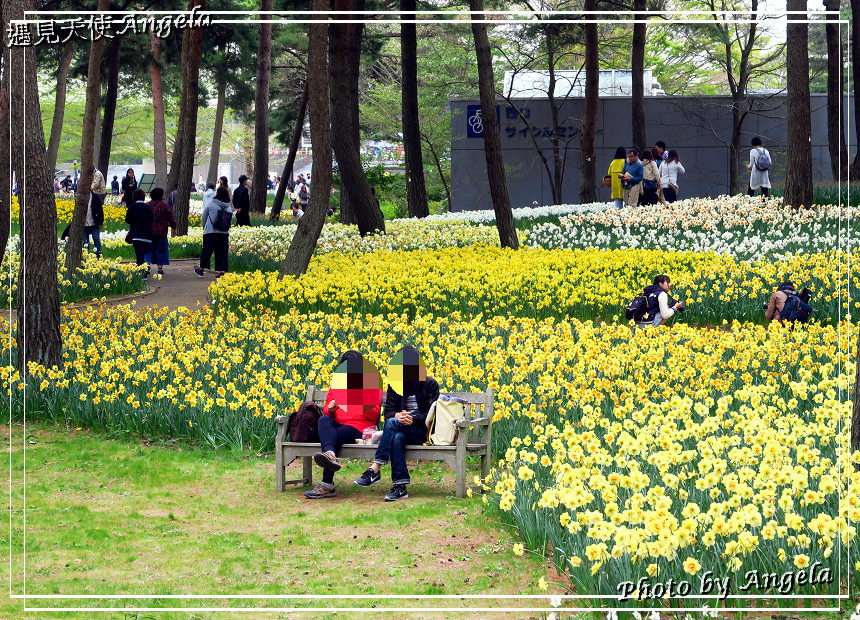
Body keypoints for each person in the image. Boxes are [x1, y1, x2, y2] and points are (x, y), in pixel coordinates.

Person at [354, 346, 440, 501]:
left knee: (393, 425)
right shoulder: (395, 385)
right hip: (401, 429)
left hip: (423, 431)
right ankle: (400, 487)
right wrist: (399, 415)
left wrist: (413, 419)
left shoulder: (430, 384)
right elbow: (388, 413)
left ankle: (375, 468)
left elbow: (433, 414)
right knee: (396, 436)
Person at [305, 351, 383, 499]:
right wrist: (331, 408)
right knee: (323, 421)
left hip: (358, 428)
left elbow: (374, 414)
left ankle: (327, 484)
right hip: (336, 425)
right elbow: (327, 411)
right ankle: (331, 455)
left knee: (334, 437)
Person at [195, 186, 234, 279]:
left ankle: (201, 270)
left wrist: (205, 228)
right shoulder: (228, 206)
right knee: (222, 252)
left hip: (210, 232)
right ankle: (222, 271)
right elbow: (230, 220)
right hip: (224, 233)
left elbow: (204, 217)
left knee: (207, 251)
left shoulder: (211, 204)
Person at [145, 188, 176, 277]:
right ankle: (159, 270)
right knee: (160, 251)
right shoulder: (165, 207)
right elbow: (172, 219)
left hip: (149, 232)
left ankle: (147, 264)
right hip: (161, 232)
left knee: (148, 250)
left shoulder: (147, 206)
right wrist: (174, 228)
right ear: (161, 196)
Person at [125, 189, 153, 278]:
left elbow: (127, 220)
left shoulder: (132, 207)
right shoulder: (148, 207)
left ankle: (142, 274)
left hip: (136, 235)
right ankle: (143, 271)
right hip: (147, 235)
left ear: (134, 197)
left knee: (139, 256)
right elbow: (152, 219)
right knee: (143, 255)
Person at [83, 190, 104, 259]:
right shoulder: (81, 196)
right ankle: (85, 256)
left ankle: (99, 255)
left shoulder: (95, 196)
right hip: (84, 223)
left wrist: (101, 222)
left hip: (94, 221)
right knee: (84, 240)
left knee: (96, 238)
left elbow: (100, 210)